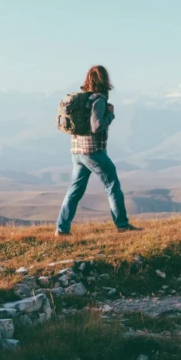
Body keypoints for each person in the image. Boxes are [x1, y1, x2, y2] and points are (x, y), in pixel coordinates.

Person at [56, 66, 139, 235]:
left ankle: (61, 229)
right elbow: (97, 127)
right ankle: (122, 225)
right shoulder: (98, 99)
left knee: (74, 191)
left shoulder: (81, 99)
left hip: (77, 151)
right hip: (93, 151)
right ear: (104, 80)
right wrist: (110, 115)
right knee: (112, 186)